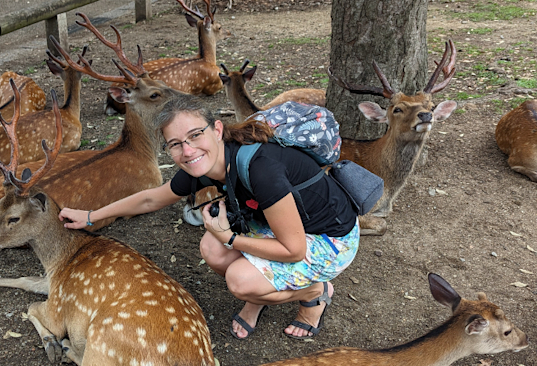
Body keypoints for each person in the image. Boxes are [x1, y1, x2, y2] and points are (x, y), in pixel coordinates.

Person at [59, 94, 360, 341]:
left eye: (195, 135)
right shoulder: (206, 164)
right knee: (211, 249)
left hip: (329, 239)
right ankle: (262, 293)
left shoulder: (261, 169)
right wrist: (90, 216)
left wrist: (228, 236)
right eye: (175, 144)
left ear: (216, 129)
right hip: (280, 226)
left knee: (240, 280)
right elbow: (152, 197)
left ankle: (315, 294)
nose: (187, 151)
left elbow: (294, 250)